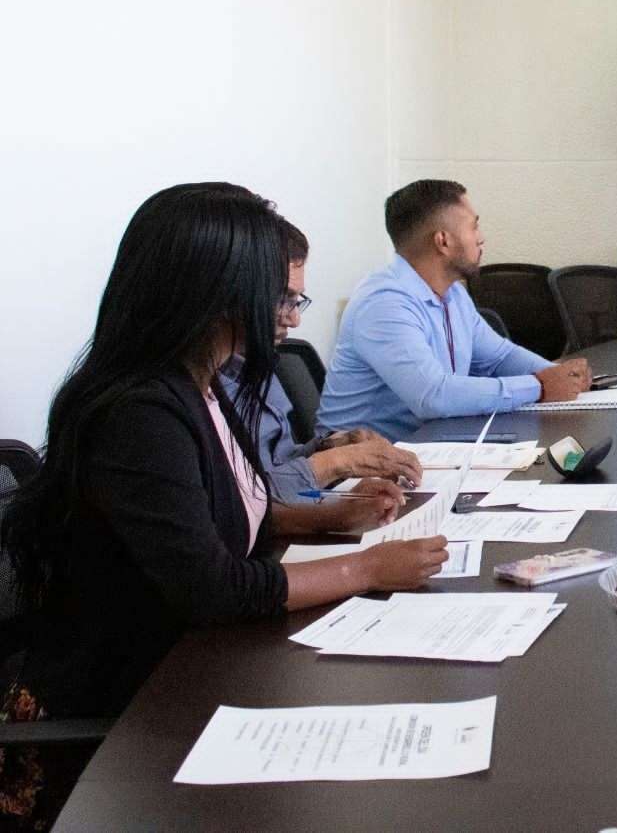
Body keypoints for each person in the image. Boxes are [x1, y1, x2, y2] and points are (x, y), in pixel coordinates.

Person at [0, 183, 447, 830]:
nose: (290, 315)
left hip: (182, 673)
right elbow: (212, 586)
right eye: (276, 293)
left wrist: (328, 517)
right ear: (216, 291)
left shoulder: (201, 385)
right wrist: (366, 568)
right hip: (120, 720)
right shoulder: (141, 411)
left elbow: (225, 514)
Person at [316, 180, 591, 440]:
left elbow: (499, 357)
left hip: (427, 445)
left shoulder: (453, 294)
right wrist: (540, 386)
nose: (481, 238)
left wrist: (560, 376)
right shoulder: (384, 304)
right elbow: (432, 396)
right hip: (359, 462)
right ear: (443, 241)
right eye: (474, 227)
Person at [219, 220, 423, 498]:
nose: (295, 319)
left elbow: (278, 466)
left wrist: (330, 448)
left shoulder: (255, 361)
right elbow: (248, 501)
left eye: (296, 300)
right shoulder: (199, 389)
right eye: (282, 299)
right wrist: (340, 462)